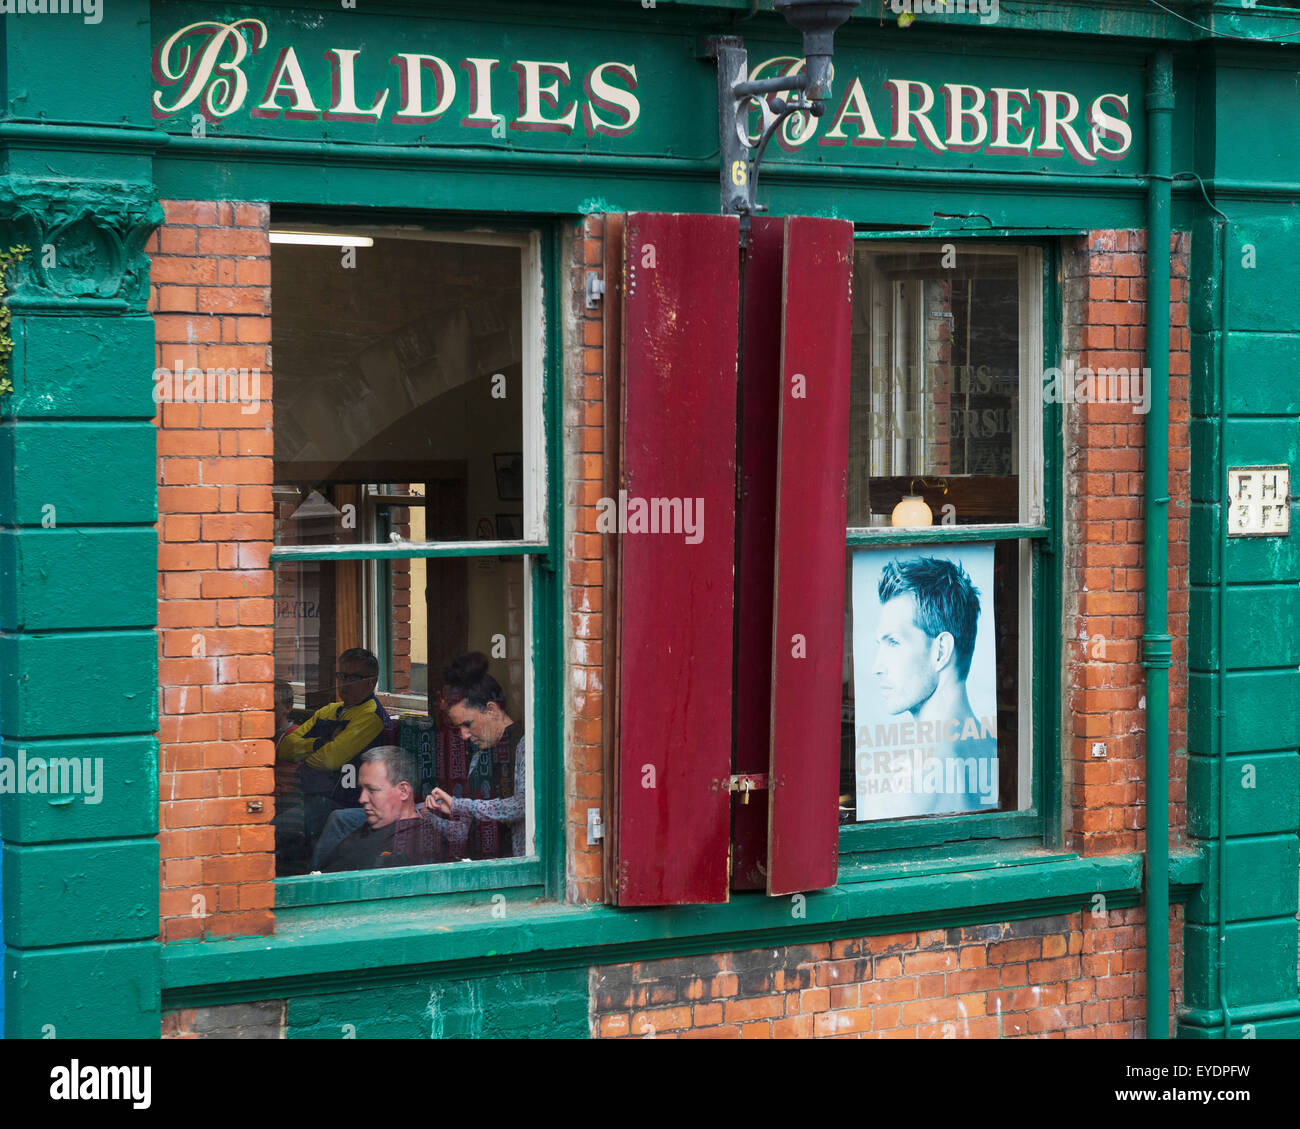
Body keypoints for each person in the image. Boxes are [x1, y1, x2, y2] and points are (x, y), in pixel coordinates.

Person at [865, 556, 997, 816]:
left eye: (893, 642)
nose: (876, 667)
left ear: (941, 651)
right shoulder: (1005, 756)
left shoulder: (890, 788)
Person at [276, 648, 392, 850]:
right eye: (341, 675)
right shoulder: (329, 710)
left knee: (277, 831)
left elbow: (330, 760)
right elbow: (286, 748)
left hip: (348, 803)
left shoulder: (370, 716)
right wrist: (319, 745)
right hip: (314, 796)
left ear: (371, 683)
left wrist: (309, 752)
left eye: (354, 677)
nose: (345, 683)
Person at [425, 652, 527, 858]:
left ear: (492, 710)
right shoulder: (479, 757)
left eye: (468, 724)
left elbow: (522, 805)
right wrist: (427, 817)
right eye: (459, 727)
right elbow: (464, 829)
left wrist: (458, 805)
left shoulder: (526, 744)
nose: (463, 735)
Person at [320, 746, 449, 872]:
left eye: (372, 790)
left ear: (403, 791)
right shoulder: (363, 830)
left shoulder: (421, 846)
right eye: (362, 789)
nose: (362, 799)